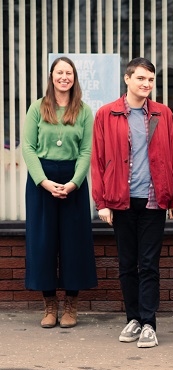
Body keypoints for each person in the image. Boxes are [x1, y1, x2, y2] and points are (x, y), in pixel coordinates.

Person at [91, 57, 173, 348]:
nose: (146, 84)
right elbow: (97, 161)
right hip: (120, 201)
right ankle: (132, 319)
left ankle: (148, 324)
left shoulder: (162, 114)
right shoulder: (106, 115)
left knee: (149, 264)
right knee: (127, 264)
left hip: (154, 200)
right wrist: (102, 202)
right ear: (127, 79)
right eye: (141, 78)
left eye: (151, 80)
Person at [22, 56, 97, 329]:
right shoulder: (37, 109)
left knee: (73, 243)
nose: (64, 77)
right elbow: (28, 148)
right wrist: (43, 181)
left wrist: (75, 182)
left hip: (72, 182)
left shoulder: (84, 111)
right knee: (43, 243)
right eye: (59, 72)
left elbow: (87, 151)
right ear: (51, 76)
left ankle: (71, 305)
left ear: (74, 77)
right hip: (41, 181)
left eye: (69, 73)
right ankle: (50, 304)